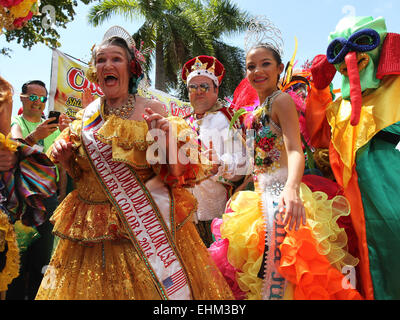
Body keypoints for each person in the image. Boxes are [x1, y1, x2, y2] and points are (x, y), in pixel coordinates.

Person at [35, 26, 234, 300]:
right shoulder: (85, 118)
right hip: (90, 233)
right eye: (101, 59)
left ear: (131, 68)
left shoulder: (155, 110)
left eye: (115, 58)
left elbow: (175, 176)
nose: (107, 64)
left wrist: (165, 140)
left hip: (144, 235)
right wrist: (66, 159)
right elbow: (79, 174)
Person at [209, 17, 362, 300]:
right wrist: (243, 188)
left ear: (280, 68)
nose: (257, 70)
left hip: (282, 196)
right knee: (263, 273)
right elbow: (259, 160)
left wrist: (291, 189)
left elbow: (294, 149)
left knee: (292, 271)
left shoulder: (282, 101)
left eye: (265, 63)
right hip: (259, 198)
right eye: (251, 66)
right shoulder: (257, 110)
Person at [307, 16, 400, 300]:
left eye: (363, 42)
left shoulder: (395, 89)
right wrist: (319, 87)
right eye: (340, 49)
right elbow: (318, 136)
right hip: (352, 203)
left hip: (389, 189)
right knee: (365, 261)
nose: (352, 55)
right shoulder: (338, 108)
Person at [7, 80, 69, 300]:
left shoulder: (52, 129)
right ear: (23, 99)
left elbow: (61, 165)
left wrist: (61, 195)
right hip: (21, 202)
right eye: (33, 97)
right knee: (18, 259)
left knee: (43, 260)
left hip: (49, 201)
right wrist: (35, 136)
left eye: (42, 98)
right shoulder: (16, 121)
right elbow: (14, 147)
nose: (38, 103)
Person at [181, 55, 249, 247]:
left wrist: (221, 163)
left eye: (204, 86)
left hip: (217, 215)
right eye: (193, 87)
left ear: (216, 89)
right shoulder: (183, 123)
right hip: (186, 216)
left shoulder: (228, 119)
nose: (198, 92)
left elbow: (246, 162)